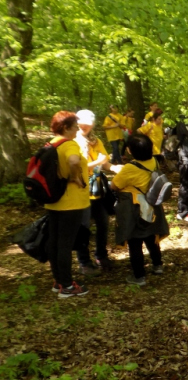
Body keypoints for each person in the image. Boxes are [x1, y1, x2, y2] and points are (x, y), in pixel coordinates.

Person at [110, 134, 169, 286]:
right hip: (152, 205)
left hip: (134, 208)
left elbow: (114, 185)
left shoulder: (130, 168)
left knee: (135, 241)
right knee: (151, 237)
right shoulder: (154, 161)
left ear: (130, 151)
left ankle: (139, 276)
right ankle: (157, 265)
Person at [45, 111, 91, 298]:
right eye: (74, 128)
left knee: (54, 242)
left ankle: (58, 281)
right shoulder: (70, 144)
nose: (77, 131)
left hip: (54, 201)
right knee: (65, 244)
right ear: (65, 128)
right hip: (70, 203)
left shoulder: (51, 144)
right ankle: (67, 286)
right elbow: (73, 161)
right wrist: (74, 177)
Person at [75, 110, 114, 273]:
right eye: (82, 123)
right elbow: (78, 167)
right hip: (80, 188)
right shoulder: (73, 141)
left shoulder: (95, 141)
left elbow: (105, 163)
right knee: (83, 227)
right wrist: (98, 161)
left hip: (97, 189)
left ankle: (101, 255)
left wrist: (117, 169)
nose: (84, 126)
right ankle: (84, 262)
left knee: (103, 223)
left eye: (88, 124)